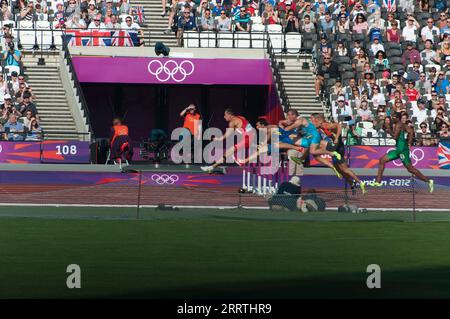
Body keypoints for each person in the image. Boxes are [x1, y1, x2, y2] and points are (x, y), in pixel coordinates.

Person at [372, 113, 434, 192]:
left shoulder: (398, 125)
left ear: (397, 118)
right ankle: (378, 182)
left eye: (393, 117)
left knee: (410, 169)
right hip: (399, 149)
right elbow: (411, 131)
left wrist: (388, 129)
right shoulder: (402, 124)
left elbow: (395, 137)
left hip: (402, 150)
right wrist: (409, 143)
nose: (392, 118)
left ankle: (429, 181)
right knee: (382, 160)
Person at [311, 113, 366, 194]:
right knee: (340, 170)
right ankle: (352, 184)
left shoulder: (327, 125)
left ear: (318, 120)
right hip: (337, 147)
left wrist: (336, 137)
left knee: (320, 144)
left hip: (337, 147)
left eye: (313, 120)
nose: (312, 122)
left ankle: (360, 182)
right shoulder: (320, 127)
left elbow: (339, 126)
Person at [201, 109, 255, 173]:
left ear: (230, 115)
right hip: (252, 136)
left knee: (228, 152)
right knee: (229, 152)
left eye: (225, 115)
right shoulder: (241, 117)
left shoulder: (232, 122)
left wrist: (219, 139)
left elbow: (227, 135)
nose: (224, 117)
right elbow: (248, 129)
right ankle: (213, 166)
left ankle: (212, 167)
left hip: (248, 139)